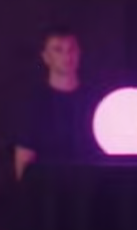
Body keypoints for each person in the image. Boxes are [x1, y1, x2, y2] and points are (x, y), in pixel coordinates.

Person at [13, 26, 101, 181]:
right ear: (46, 57)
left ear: (79, 53)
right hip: (48, 190)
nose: (67, 56)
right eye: (58, 50)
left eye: (71, 49)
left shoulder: (97, 101)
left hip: (91, 188)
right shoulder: (33, 104)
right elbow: (24, 159)